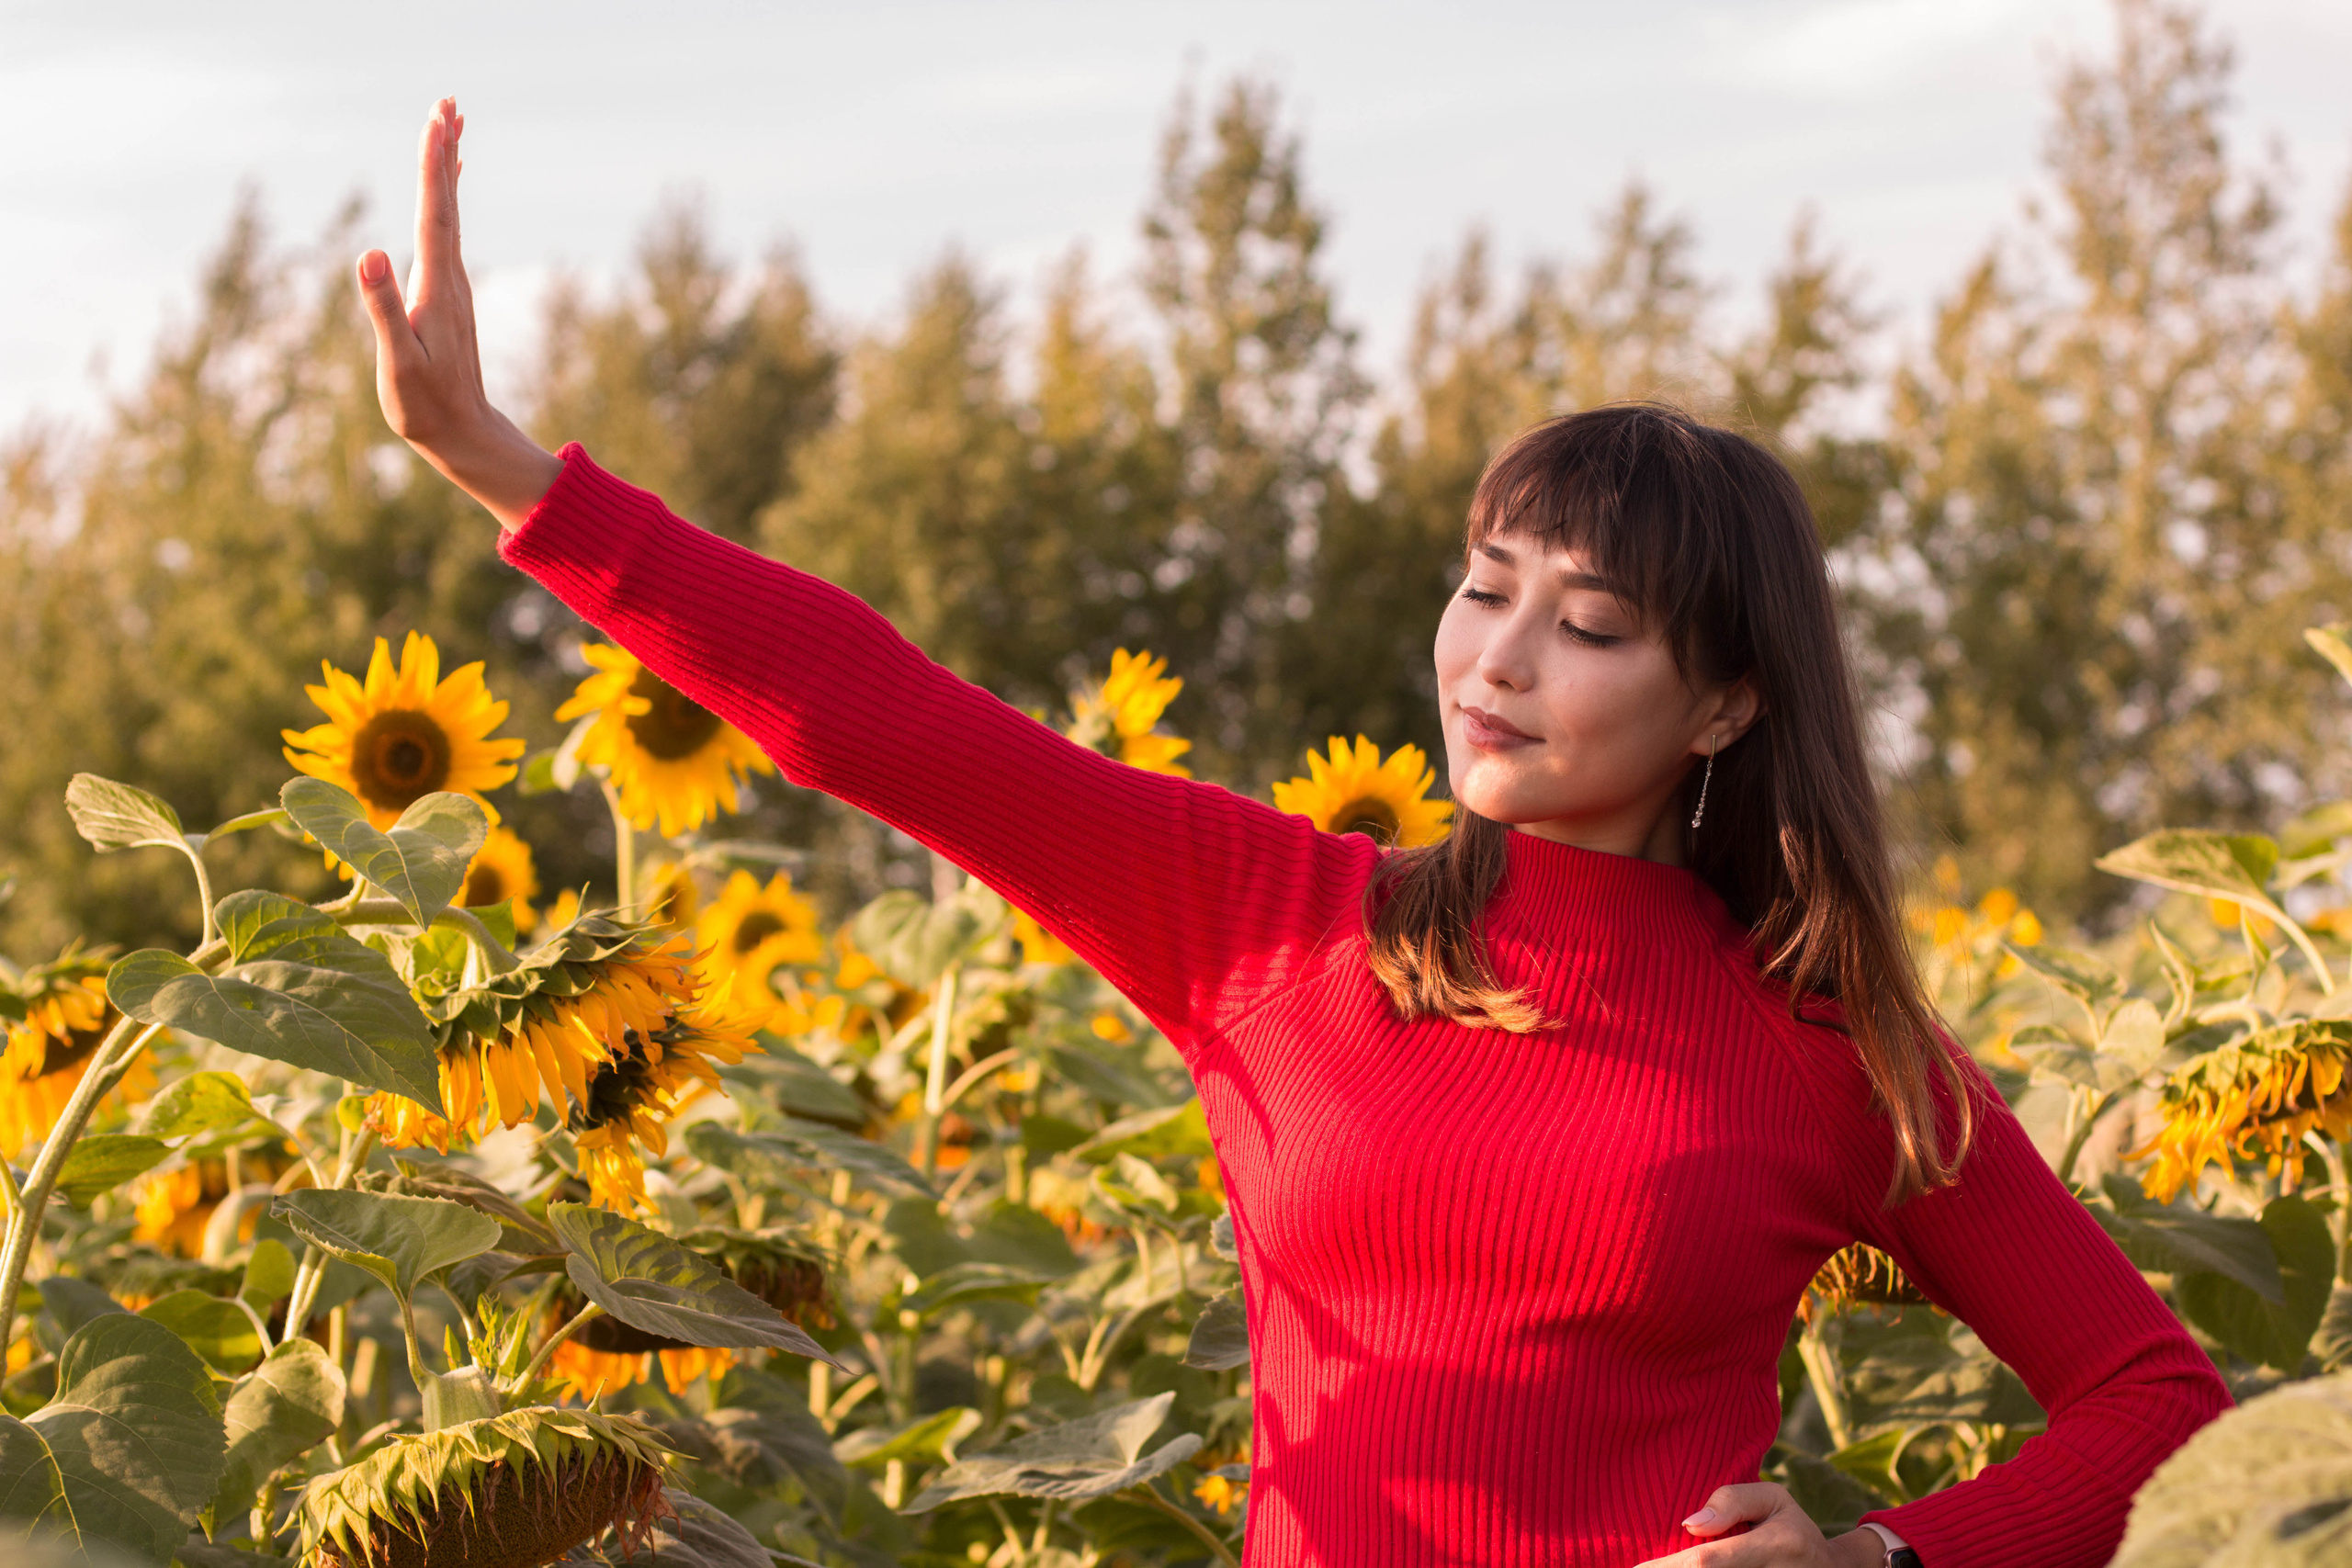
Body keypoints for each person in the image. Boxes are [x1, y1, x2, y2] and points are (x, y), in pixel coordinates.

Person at [358, 99, 2229, 1567]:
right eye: (1482, 587)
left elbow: (2159, 1403)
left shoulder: (1829, 1047)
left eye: (1586, 626)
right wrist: (501, 467)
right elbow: (888, 718)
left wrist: (1883, 1555)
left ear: (1728, 704)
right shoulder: (1268, 919)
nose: (1496, 660)